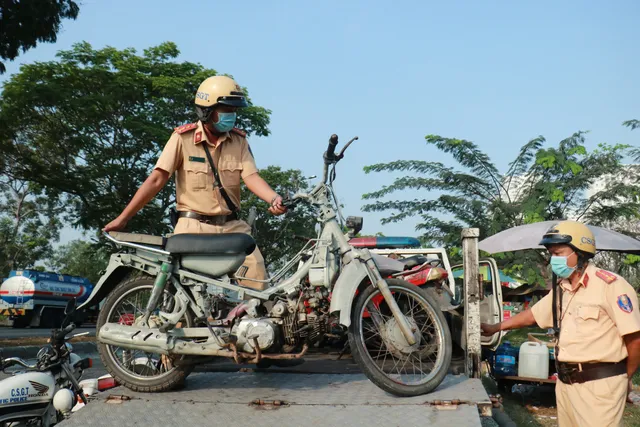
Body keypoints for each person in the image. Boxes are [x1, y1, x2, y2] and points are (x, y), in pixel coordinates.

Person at [103, 75, 286, 291]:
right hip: (193, 227)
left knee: (256, 278)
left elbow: (251, 177)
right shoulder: (183, 138)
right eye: (226, 110)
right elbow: (156, 179)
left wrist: (274, 199)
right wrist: (123, 218)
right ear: (206, 111)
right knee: (187, 292)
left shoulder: (239, 141)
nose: (232, 116)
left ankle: (251, 324)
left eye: (234, 111)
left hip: (232, 227)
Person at [481, 220, 640, 427]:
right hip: (565, 384)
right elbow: (533, 315)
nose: (553, 260)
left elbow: (634, 338)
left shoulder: (611, 286)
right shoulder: (562, 289)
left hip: (601, 385)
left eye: (559, 253)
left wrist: (624, 378)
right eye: (551, 254)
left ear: (580, 252)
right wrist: (496, 327)